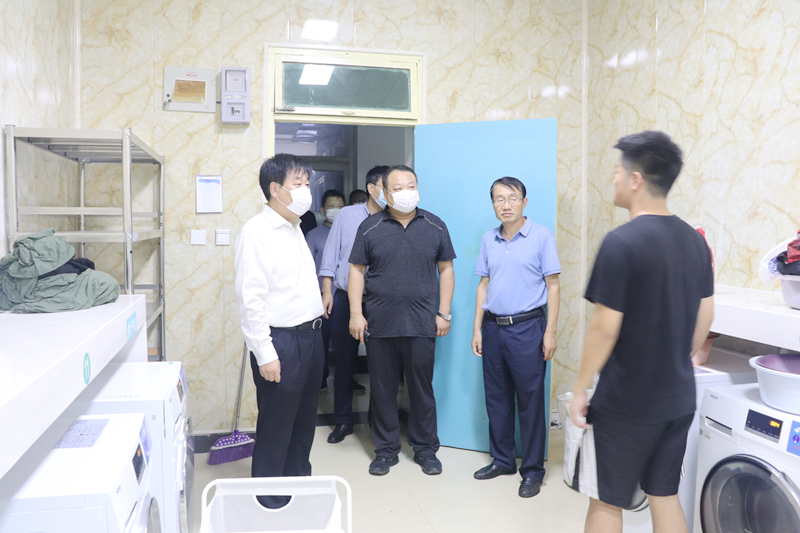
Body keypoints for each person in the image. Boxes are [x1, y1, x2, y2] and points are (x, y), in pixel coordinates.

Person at [569, 131, 714, 533]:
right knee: (663, 494)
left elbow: (604, 329)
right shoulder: (695, 242)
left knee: (606, 499)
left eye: (617, 171)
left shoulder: (622, 242)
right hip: (678, 397)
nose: (613, 179)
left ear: (636, 179)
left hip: (626, 401)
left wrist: (580, 388)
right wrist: (676, 357)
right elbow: (705, 316)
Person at [348, 165, 456, 476]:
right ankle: (385, 451)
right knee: (382, 390)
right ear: (384, 192)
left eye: (411, 186)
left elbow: (446, 269)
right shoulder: (369, 227)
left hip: (422, 324)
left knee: (421, 390)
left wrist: (444, 312)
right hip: (380, 324)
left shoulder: (435, 225)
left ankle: (425, 450)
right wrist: (356, 313)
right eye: (398, 188)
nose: (405, 192)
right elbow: (356, 271)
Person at [234, 153, 325, 509]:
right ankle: (269, 499)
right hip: (282, 343)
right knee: (277, 425)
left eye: (307, 183)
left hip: (311, 338)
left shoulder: (294, 226)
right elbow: (250, 299)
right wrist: (265, 354)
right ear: (275, 189)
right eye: (297, 184)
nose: (306, 190)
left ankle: (297, 485)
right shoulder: (257, 232)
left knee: (304, 421)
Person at [471, 177, 561, 499]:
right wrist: (477, 328)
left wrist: (550, 332)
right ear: (493, 204)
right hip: (493, 328)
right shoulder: (489, 239)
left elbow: (553, 286)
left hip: (528, 328)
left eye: (512, 198)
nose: (505, 205)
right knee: (496, 398)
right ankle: (503, 460)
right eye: (499, 199)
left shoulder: (541, 236)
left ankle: (533, 471)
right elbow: (483, 285)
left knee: (530, 401)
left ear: (524, 202)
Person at [319, 167, 389, 443]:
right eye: (387, 186)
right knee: (344, 363)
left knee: (380, 366)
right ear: (372, 188)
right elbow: (331, 254)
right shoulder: (347, 215)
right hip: (344, 298)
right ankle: (343, 421)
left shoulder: (393, 217)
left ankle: (376, 422)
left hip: (379, 301)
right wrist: (327, 291)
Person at [305, 189, 346, 390]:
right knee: (321, 341)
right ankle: (320, 379)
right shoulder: (313, 235)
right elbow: (307, 269)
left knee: (345, 344)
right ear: (322, 209)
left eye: (339, 206)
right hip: (321, 297)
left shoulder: (350, 233)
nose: (335, 210)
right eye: (331, 206)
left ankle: (346, 380)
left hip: (345, 297)